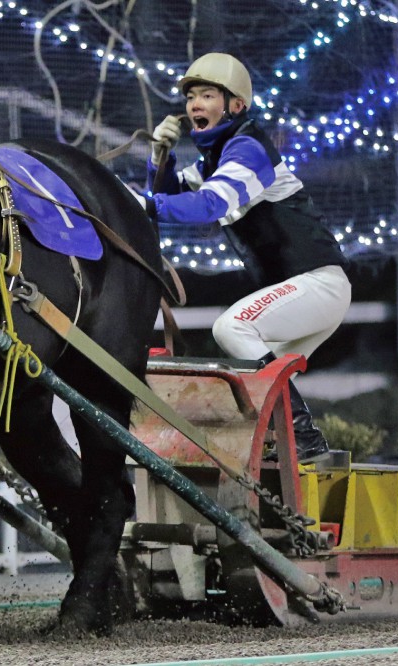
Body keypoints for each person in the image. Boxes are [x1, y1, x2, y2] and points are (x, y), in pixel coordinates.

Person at [144, 52, 351, 464]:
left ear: (236, 105)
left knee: (232, 328)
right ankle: (293, 445)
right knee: (247, 373)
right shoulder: (217, 159)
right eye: (191, 98)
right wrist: (158, 157)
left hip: (320, 283)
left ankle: (303, 442)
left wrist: (144, 205)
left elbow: (203, 206)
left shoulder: (248, 149)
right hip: (308, 287)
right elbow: (171, 199)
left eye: (207, 95)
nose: (194, 106)